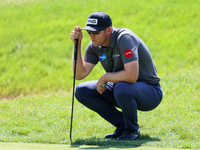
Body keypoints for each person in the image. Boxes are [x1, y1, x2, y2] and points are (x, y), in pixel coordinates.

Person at [70, 11, 163, 140]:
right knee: (82, 91)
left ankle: (132, 131)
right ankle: (122, 125)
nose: (92, 35)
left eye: (96, 32)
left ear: (109, 30)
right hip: (123, 89)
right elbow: (79, 74)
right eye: (89, 32)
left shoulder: (125, 38)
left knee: (121, 88)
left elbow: (132, 76)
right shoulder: (94, 46)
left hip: (150, 91)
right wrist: (77, 43)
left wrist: (105, 77)